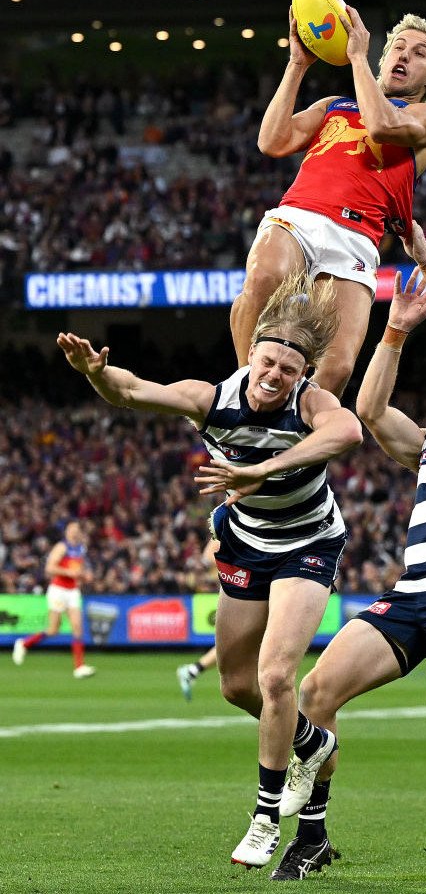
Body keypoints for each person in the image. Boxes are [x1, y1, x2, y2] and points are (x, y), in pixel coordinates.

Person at [55, 272, 362, 871]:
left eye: (288, 370)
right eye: (268, 363)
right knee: (235, 684)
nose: (275, 377)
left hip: (307, 546)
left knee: (277, 676)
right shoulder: (212, 397)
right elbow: (133, 391)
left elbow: (348, 430)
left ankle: (265, 817)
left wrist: (262, 470)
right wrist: (95, 372)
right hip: (246, 545)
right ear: (252, 356)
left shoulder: (310, 403)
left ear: (302, 375)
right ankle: (310, 739)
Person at [273, 221, 426, 887]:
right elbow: (368, 406)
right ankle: (314, 835)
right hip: (411, 592)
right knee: (316, 691)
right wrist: (393, 330)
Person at [230, 5, 426, 397]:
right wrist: (296, 65)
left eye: (419, 53)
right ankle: (244, 395)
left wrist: (358, 57)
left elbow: (381, 125)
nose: (404, 55)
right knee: (263, 278)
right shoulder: (334, 105)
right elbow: (271, 142)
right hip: (301, 213)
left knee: (338, 366)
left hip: (358, 235)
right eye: (398, 47)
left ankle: (295, 439)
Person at [12, 520, 96, 679]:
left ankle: (79, 667)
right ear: (67, 532)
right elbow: (50, 568)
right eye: (72, 529)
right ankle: (23, 644)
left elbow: (80, 569)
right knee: (53, 630)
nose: (74, 531)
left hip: (72, 591)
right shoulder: (62, 547)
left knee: (78, 628)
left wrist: (85, 576)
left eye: (77, 528)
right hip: (58, 590)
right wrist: (69, 573)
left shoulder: (81, 549)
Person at [176, 538, 219, 701]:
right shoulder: (228, 519)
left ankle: (193, 670)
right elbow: (205, 562)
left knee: (246, 642)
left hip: (248, 590)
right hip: (240, 593)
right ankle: (193, 670)